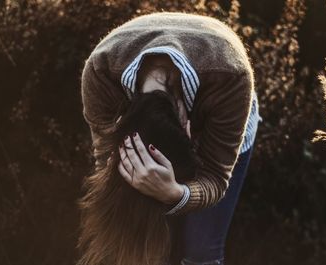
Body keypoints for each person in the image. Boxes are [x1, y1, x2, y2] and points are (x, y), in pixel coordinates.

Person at [80, 11, 262, 265]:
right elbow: (104, 162)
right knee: (138, 235)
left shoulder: (231, 77)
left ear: (190, 130)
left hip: (227, 120)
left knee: (200, 249)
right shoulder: (101, 73)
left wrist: (177, 194)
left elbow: (216, 177)